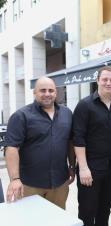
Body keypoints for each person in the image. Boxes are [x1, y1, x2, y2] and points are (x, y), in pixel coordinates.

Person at [4, 76, 75, 209]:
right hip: (30, 184)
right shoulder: (21, 116)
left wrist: (72, 166)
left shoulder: (67, 113)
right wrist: (15, 179)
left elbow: (70, 142)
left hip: (60, 182)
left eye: (51, 90)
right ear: (34, 92)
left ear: (56, 92)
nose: (47, 94)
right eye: (42, 90)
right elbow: (11, 148)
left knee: (57, 220)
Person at [72, 66, 111, 226]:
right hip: (90, 166)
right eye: (105, 79)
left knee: (105, 208)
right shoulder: (85, 105)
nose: (108, 83)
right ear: (97, 81)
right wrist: (83, 168)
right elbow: (78, 138)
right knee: (87, 211)